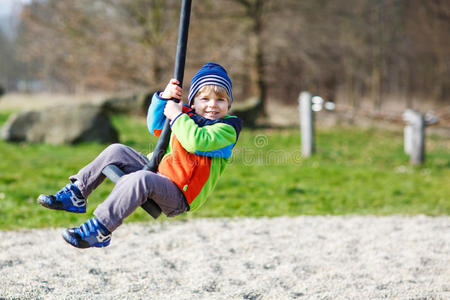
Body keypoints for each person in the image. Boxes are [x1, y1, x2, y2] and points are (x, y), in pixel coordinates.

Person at [37, 62, 242, 249]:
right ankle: (77, 193)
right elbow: (154, 125)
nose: (212, 105)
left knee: (141, 179)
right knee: (116, 150)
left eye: (220, 100)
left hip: (180, 193)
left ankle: (100, 229)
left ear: (229, 104)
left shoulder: (226, 129)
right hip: (159, 170)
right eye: (204, 98)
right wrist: (164, 98)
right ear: (194, 100)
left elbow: (196, 141)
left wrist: (177, 116)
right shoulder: (185, 114)